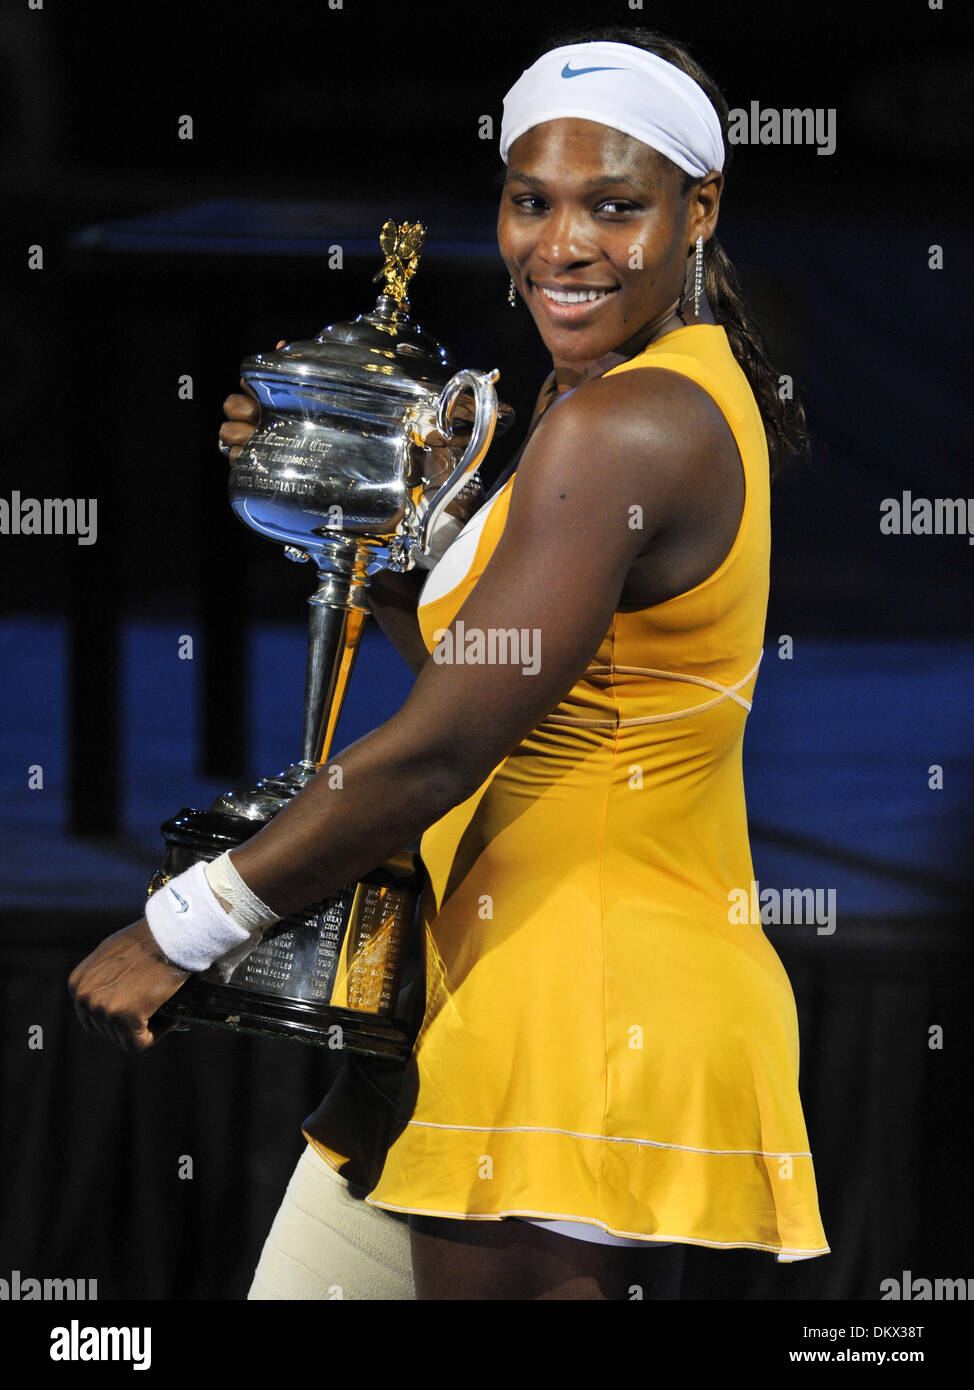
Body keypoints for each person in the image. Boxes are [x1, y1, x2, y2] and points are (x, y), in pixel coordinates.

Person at [68, 25, 831, 1300]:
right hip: (468, 999)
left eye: (613, 206)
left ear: (698, 212)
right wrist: (343, 490)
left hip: (574, 1012)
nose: (561, 245)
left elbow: (442, 742)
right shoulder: (627, 393)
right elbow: (518, 638)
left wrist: (185, 922)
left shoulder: (626, 425)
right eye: (530, 201)